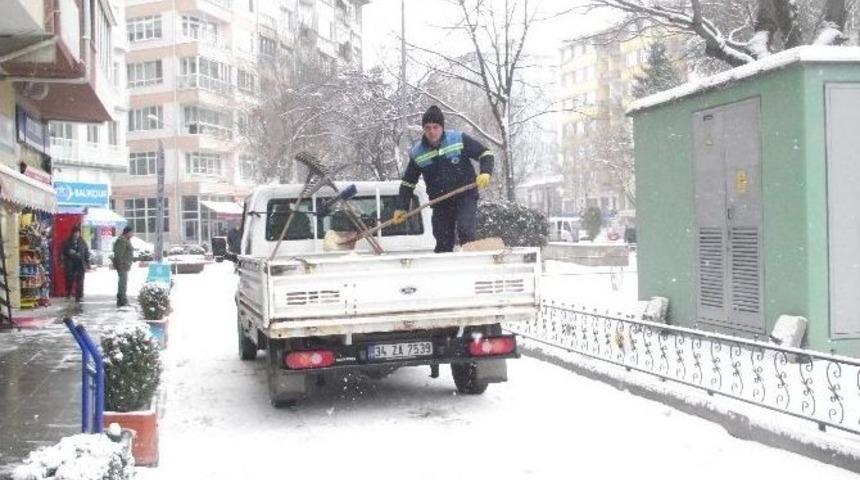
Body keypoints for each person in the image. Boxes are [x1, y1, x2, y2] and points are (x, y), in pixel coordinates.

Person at [392, 105, 494, 253]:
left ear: (442, 127)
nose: (432, 131)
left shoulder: (458, 139)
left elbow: (485, 153)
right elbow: (408, 183)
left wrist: (485, 172)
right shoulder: (418, 153)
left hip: (465, 196)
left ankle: (471, 267)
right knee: (442, 238)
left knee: (465, 230)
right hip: (440, 202)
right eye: (427, 128)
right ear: (423, 129)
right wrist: (401, 206)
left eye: (435, 127)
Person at [61, 225, 89, 302]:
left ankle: (79, 296)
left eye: (78, 232)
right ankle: (68, 294)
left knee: (80, 281)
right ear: (72, 233)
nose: (76, 234)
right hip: (71, 264)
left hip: (80, 264)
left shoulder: (82, 241)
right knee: (70, 280)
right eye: (75, 232)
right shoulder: (67, 241)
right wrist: (64, 261)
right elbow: (63, 252)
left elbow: (86, 252)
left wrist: (87, 263)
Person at [112, 226, 135, 307]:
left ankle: (121, 298)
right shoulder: (122, 241)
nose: (132, 234)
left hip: (124, 265)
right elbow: (118, 254)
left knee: (123, 282)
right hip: (122, 266)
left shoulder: (126, 240)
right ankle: (122, 299)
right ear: (127, 233)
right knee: (122, 283)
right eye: (131, 232)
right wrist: (121, 264)